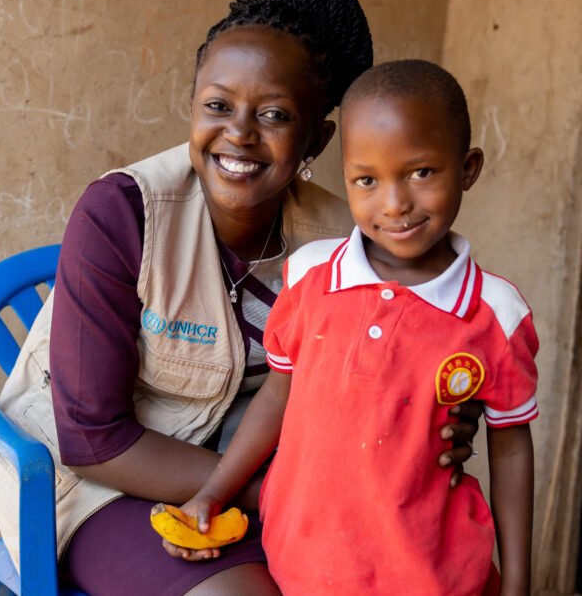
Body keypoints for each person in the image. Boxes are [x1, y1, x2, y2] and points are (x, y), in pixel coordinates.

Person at [0, 0, 484, 596]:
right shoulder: (122, 213)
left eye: (274, 115)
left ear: (317, 139)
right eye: (218, 105)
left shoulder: (345, 245)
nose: (238, 134)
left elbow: (379, 386)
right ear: (192, 105)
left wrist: (430, 419)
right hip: (98, 489)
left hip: (261, 486)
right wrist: (272, 493)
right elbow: (93, 441)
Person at [179, 60, 538, 596]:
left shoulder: (496, 313)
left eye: (420, 172)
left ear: (467, 169)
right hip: (301, 562)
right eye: (366, 180)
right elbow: (278, 398)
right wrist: (213, 491)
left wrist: (519, 585)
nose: (394, 204)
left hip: (433, 574)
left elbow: (511, 447)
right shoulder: (309, 277)